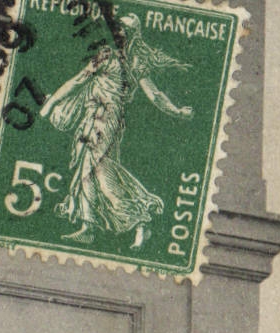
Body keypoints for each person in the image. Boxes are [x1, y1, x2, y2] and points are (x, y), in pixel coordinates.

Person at [39, 14, 193, 249]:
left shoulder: (136, 62)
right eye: (116, 28)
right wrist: (50, 104)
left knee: (96, 170)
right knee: (89, 171)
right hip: (91, 118)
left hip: (107, 121)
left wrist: (177, 111)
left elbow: (155, 94)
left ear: (132, 34)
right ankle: (89, 227)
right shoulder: (104, 55)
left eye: (123, 30)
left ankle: (140, 215)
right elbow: (79, 79)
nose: (117, 33)